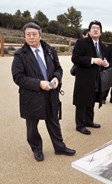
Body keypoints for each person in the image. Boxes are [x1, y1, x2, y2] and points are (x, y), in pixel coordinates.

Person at [11, 22, 76, 162]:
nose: (31, 37)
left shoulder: (50, 51)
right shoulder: (20, 55)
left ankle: (60, 147)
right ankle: (37, 149)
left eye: (34, 34)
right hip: (31, 96)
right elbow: (18, 77)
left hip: (51, 93)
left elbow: (59, 69)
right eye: (28, 35)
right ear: (24, 37)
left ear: (40, 35)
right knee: (32, 126)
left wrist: (57, 78)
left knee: (54, 122)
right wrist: (39, 83)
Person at [72, 20, 109, 135]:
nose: (96, 29)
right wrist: (92, 60)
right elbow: (75, 58)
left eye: (98, 28)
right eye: (93, 27)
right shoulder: (81, 42)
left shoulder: (102, 46)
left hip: (97, 78)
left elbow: (104, 60)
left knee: (91, 100)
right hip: (84, 78)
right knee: (82, 101)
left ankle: (89, 121)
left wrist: (105, 63)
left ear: (101, 32)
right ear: (89, 31)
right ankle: (80, 125)